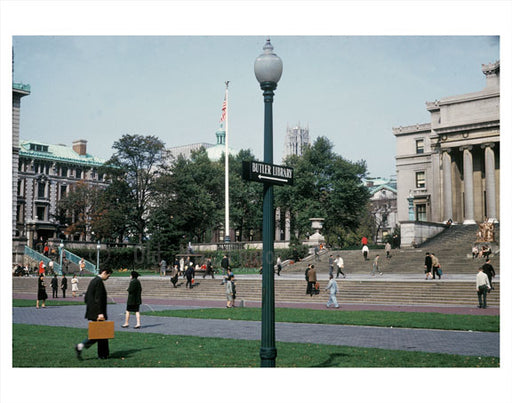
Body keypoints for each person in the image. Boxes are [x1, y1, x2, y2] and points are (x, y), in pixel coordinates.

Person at [75, 267, 113, 360]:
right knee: (101, 334)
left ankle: (103, 354)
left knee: (100, 334)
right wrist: (100, 313)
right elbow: (98, 298)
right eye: (108, 275)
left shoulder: (93, 281)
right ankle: (83, 346)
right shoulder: (99, 282)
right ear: (104, 272)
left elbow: (87, 297)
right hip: (97, 313)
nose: (108, 277)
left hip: (92, 312)